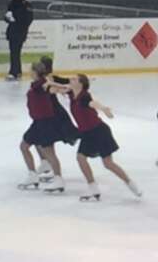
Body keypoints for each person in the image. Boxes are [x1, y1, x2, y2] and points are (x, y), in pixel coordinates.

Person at [50, 74, 142, 202]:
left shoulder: (84, 96)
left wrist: (104, 108)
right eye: (71, 78)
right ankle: (92, 187)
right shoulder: (71, 93)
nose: (71, 80)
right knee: (81, 158)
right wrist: (56, 85)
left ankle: (130, 183)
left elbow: (93, 103)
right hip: (87, 133)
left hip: (99, 131)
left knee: (108, 163)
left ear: (81, 84)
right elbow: (54, 89)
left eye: (74, 79)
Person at [17, 62, 67, 194]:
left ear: (35, 71)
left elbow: (50, 85)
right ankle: (32, 175)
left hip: (45, 123)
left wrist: (63, 86)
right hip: (37, 123)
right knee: (24, 146)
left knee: (49, 152)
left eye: (30, 70)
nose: (28, 72)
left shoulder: (42, 83)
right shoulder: (35, 84)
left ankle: (58, 179)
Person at [4, 0, 33, 80]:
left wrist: (17, 21)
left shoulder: (27, 4)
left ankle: (13, 72)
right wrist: (8, 18)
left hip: (20, 32)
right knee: (14, 52)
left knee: (15, 52)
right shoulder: (11, 3)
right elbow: (7, 17)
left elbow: (29, 18)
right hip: (12, 31)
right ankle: (17, 72)